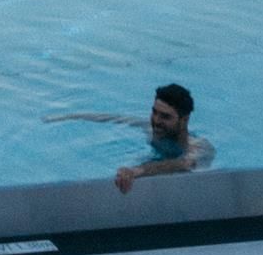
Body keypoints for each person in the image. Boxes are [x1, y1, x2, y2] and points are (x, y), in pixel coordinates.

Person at [50, 81, 214, 194]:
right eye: (154, 112)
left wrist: (136, 171)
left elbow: (183, 164)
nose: (156, 121)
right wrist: (70, 116)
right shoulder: (151, 130)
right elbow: (116, 118)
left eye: (165, 116)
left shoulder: (199, 148)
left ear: (184, 119)